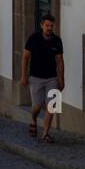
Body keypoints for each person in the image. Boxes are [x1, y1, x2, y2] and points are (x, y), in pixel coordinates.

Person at [19, 13, 64, 143]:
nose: (49, 28)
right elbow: (25, 56)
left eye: (51, 25)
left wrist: (62, 79)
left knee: (52, 106)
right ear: (42, 25)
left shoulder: (57, 40)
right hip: (36, 77)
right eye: (47, 25)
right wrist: (23, 76)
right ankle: (33, 118)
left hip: (52, 78)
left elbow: (60, 60)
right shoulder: (33, 38)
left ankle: (45, 133)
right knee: (37, 106)